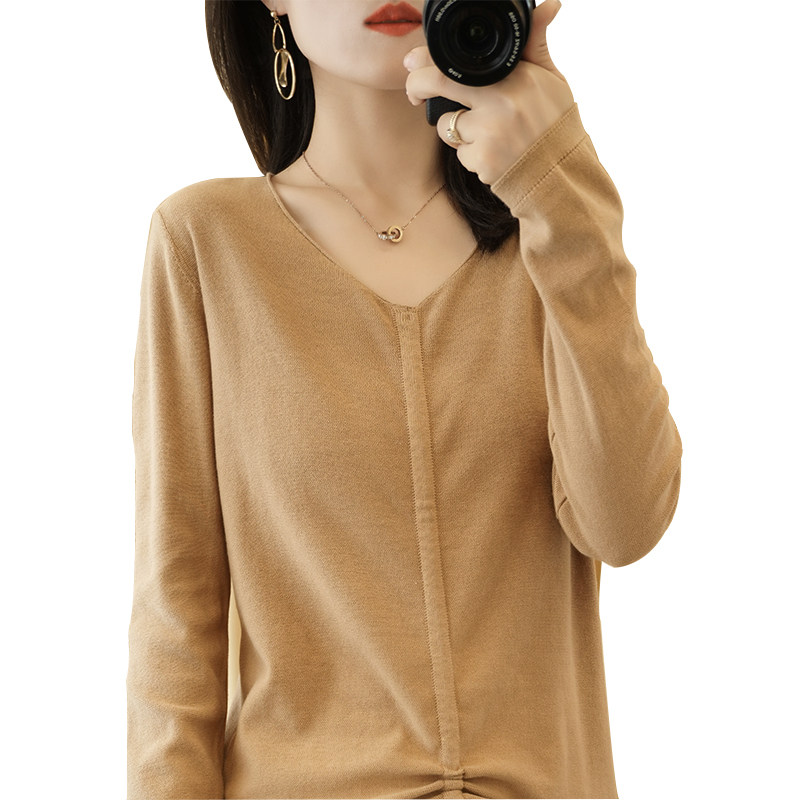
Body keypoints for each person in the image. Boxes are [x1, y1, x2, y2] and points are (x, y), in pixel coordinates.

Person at [126, 1, 683, 798]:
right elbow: (177, 621)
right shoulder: (206, 242)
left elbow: (625, 524)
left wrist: (559, 189)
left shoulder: (548, 237)